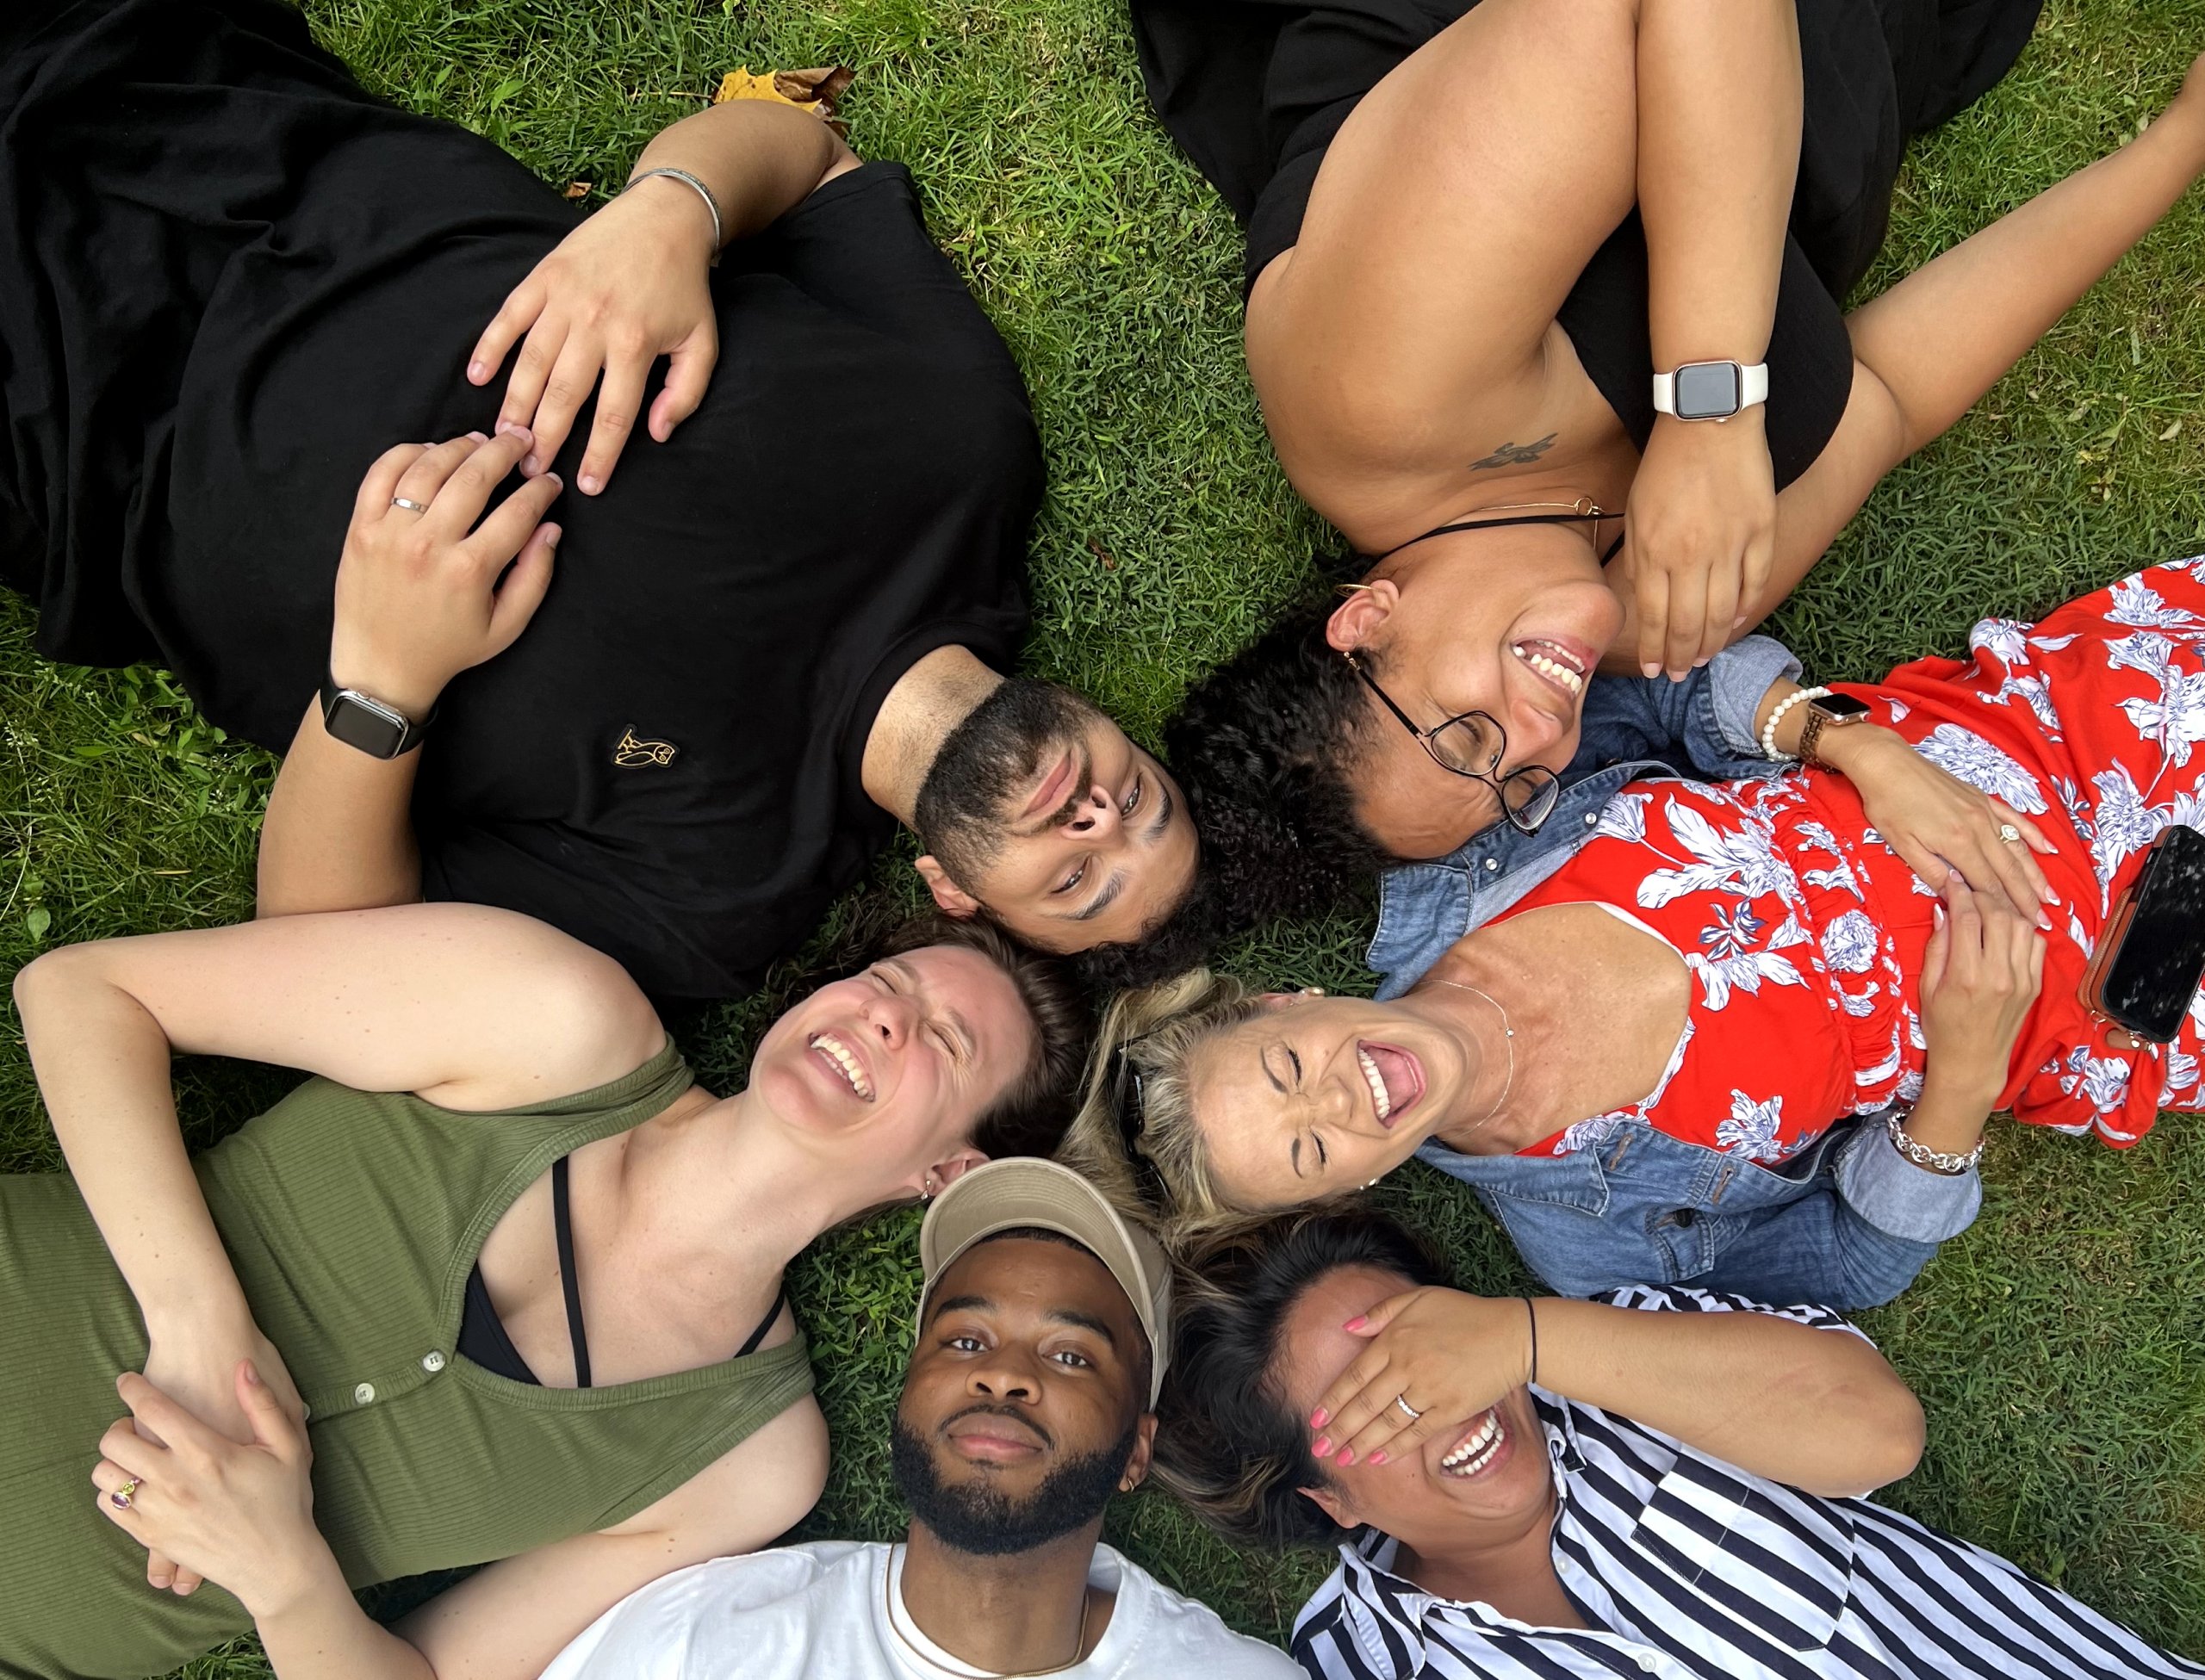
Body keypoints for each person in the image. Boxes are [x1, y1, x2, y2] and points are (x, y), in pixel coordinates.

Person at [0, 0, 1201, 1004]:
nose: (1096, 818)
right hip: (223, 124)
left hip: (79, 446)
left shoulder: (715, 898)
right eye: (1140, 800)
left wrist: (381, 677)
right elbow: (810, 153)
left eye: (1079, 881)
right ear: (1109, 722)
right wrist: (673, 208)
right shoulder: (966, 446)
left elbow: (321, 955)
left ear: (955, 890)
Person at [1146, 0, 2205, 936]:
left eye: (1465, 734)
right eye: (1519, 787)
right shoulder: (1651, 613)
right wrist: (2175, 147)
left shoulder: (1379, 393)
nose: (1542, 737)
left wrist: (1710, 418)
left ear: (1365, 619)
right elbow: (1884, 398)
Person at [1076, 559, 2205, 1310]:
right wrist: (1960, 1077)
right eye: (1309, 1147)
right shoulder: (1594, 1240)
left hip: (2049, 736)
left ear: (1288, 1002)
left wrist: (1855, 749)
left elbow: (1665, 694)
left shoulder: (1465, 851)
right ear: (1335, 1194)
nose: (1339, 1098)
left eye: (1285, 1070)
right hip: (2110, 989)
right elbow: (1846, 1266)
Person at [1, 902, 1088, 1680]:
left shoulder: (751, 1459)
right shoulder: (556, 1022)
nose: (886, 1016)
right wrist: (198, 1322)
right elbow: (85, 993)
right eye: (886, 982)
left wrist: (283, 1574)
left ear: (945, 1173)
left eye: (943, 1041)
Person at [1155, 1207, 2205, 1680]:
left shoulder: (1615, 1357)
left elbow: (1879, 1431)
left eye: (1426, 1339)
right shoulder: (1352, 1663)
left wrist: (1524, 1336)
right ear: (1327, 1497)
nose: (1442, 1393)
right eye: (1376, 1399)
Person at [531, 1157, 1300, 1679]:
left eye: (1070, 1355)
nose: (1002, 1373)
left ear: (1138, 1449)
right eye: (966, 1339)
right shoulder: (705, 1639)